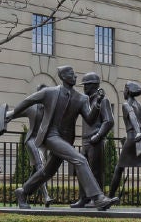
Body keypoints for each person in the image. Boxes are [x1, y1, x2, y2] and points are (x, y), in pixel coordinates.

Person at [10, 66, 118, 210]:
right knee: (80, 159)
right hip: (51, 136)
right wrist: (11, 114)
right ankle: (98, 198)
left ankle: (23, 192)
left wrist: (97, 103)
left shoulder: (81, 98)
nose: (75, 77)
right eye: (72, 74)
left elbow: (90, 119)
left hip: (66, 140)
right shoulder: (50, 92)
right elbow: (28, 101)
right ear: (63, 76)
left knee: (47, 172)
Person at [72, 73, 114, 208]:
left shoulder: (103, 101)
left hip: (95, 141)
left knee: (95, 171)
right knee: (81, 170)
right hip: (85, 141)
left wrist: (99, 135)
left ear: (94, 85)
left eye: (86, 85)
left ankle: (97, 199)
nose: (84, 88)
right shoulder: (86, 101)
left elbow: (109, 121)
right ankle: (83, 198)